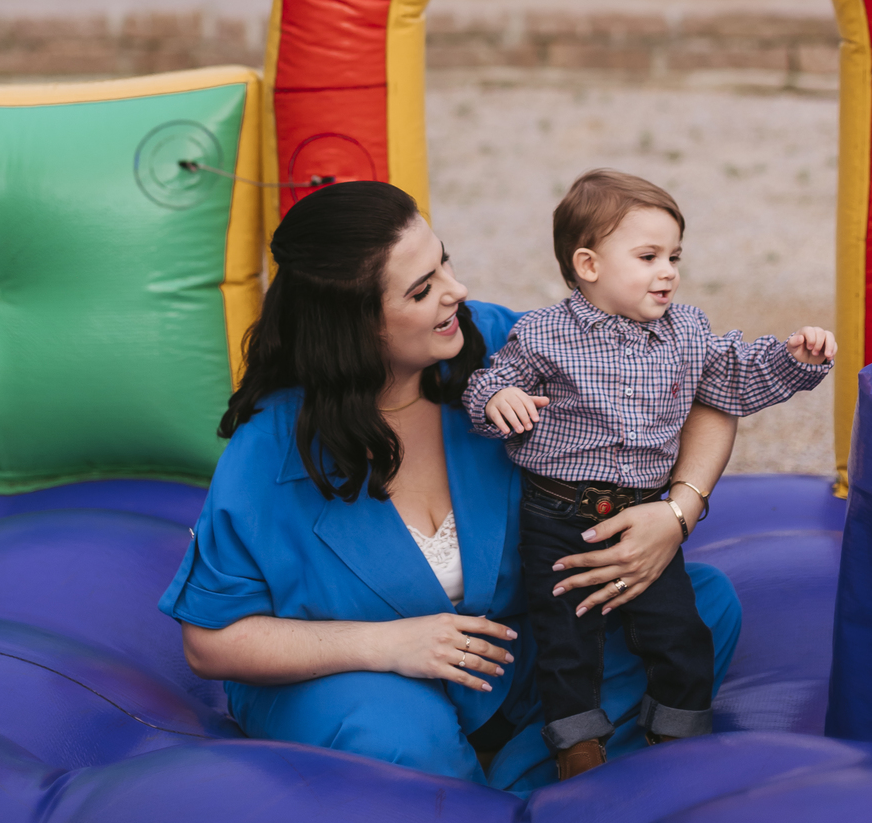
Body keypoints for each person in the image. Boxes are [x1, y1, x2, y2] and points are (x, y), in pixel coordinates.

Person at [159, 180, 745, 790]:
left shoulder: (505, 346)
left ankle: (524, 781)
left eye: (445, 262)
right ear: (352, 323)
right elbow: (211, 642)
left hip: (518, 659)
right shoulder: (271, 445)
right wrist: (387, 646)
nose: (455, 291)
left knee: (701, 606)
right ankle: (498, 784)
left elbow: (709, 386)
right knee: (395, 733)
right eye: (422, 289)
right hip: (363, 679)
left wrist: (678, 510)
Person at [463, 168, 836, 779]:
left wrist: (794, 360)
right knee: (567, 638)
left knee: (678, 628)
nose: (668, 272)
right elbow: (487, 384)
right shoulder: (543, 335)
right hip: (558, 512)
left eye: (674, 257)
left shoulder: (686, 332)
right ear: (588, 265)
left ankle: (677, 734)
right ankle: (577, 746)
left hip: (643, 509)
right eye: (648, 257)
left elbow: (734, 379)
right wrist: (498, 400)